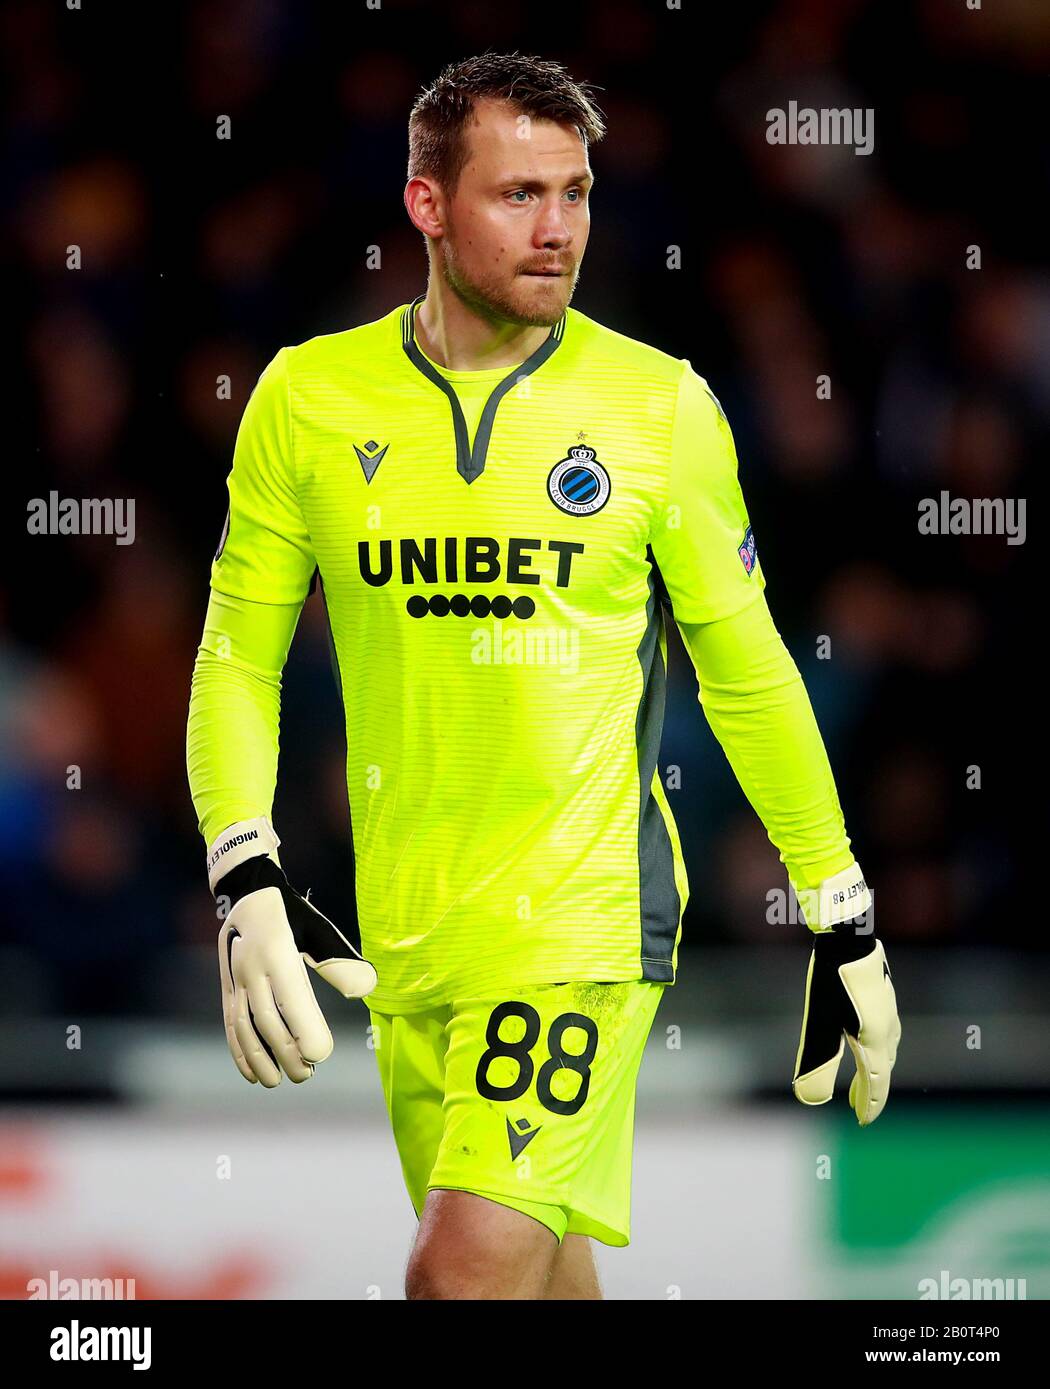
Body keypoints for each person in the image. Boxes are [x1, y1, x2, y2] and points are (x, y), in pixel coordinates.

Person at [186, 51, 900, 1301]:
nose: (559, 228)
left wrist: (841, 911)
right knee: (540, 1284)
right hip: (410, 931)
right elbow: (239, 652)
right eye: (519, 194)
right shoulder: (307, 400)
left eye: (576, 192)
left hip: (584, 920)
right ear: (426, 204)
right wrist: (243, 869)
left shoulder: (658, 409)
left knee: (459, 1278)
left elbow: (746, 670)